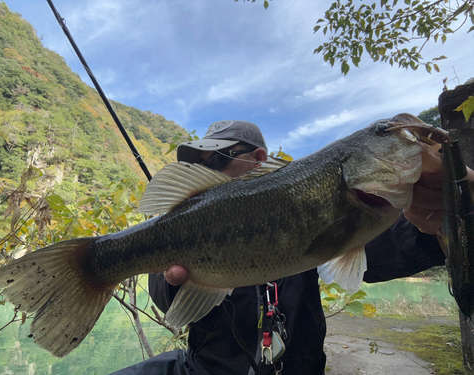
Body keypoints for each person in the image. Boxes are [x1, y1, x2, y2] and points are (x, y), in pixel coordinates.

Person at [112, 120, 473, 375]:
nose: (211, 170)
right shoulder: (195, 218)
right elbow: (167, 296)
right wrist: (170, 280)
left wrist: (446, 217)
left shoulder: (324, 205)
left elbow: (391, 250)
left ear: (258, 158)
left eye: (220, 159)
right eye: (202, 165)